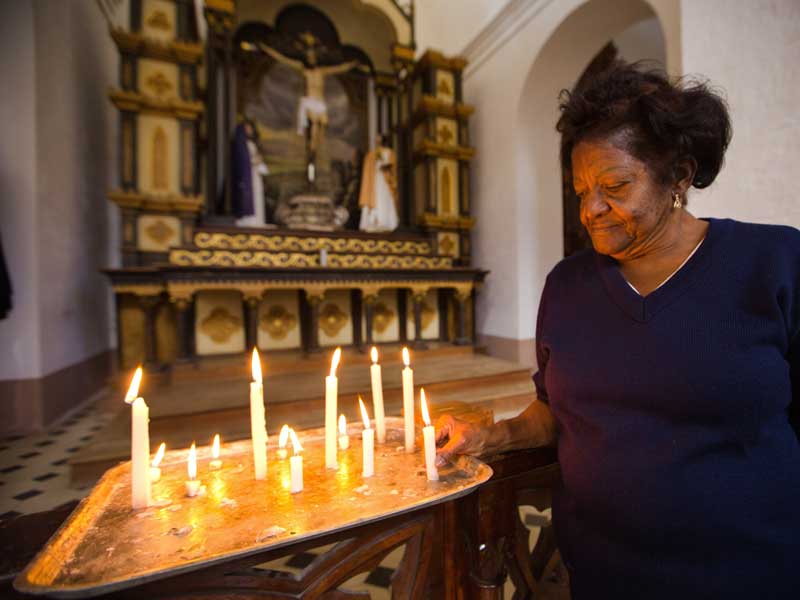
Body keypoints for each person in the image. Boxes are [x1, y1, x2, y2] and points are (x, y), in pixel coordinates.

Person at [435, 61, 800, 598]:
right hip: (604, 576)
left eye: (615, 185)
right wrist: (494, 435)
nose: (592, 210)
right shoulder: (567, 286)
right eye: (581, 191)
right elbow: (556, 411)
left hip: (751, 574)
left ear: (678, 176)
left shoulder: (773, 263)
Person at [358, 135, 398, 232]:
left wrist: (387, 167)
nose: (377, 140)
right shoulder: (371, 154)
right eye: (376, 139)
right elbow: (367, 170)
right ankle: (372, 222)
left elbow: (393, 168)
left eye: (378, 138)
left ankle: (386, 222)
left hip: (385, 180)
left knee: (384, 198)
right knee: (375, 198)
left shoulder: (390, 153)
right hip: (374, 180)